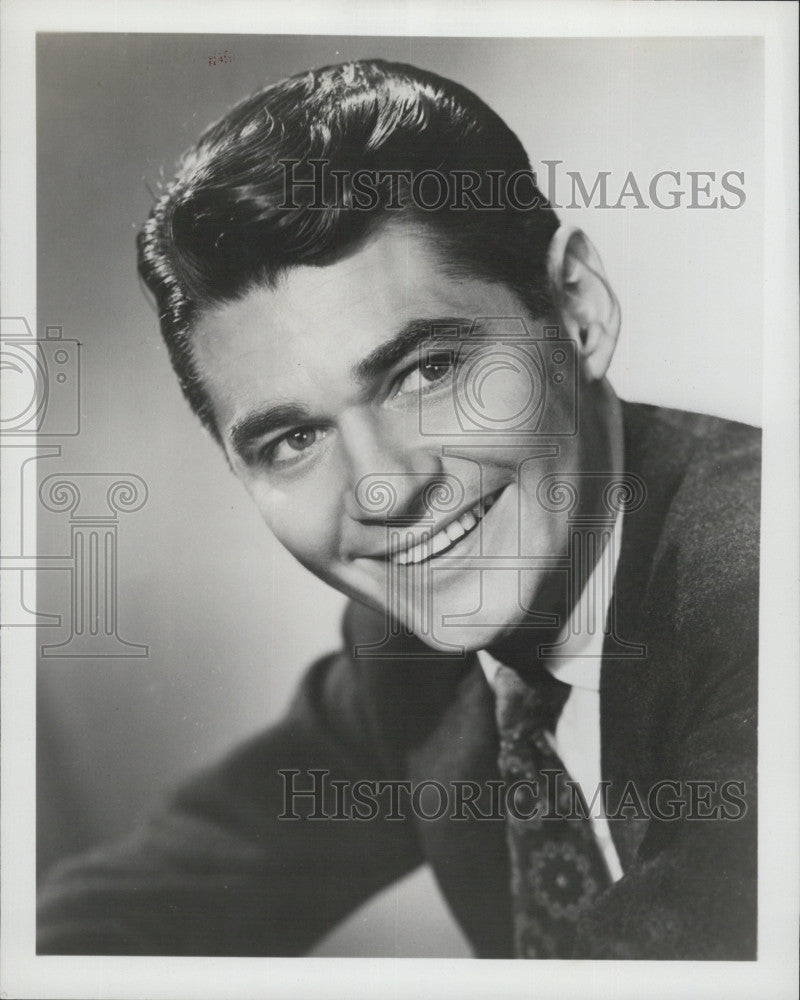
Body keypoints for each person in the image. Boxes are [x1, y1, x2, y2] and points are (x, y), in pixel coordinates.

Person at [37, 59, 759, 960]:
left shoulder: (766, 584)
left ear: (576, 308)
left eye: (428, 372)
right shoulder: (406, 664)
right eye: (292, 440)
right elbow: (107, 917)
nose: (385, 487)